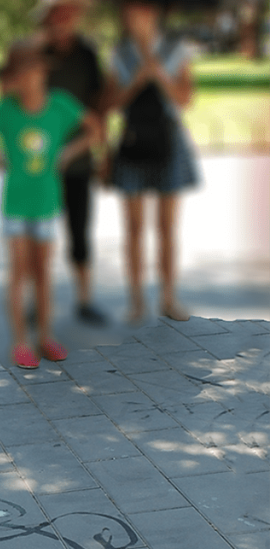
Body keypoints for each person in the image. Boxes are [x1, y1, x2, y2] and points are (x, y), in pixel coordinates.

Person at [0, 41, 98, 369]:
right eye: (24, 71)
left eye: (37, 70)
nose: (31, 78)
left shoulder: (60, 106)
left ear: (44, 73)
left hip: (46, 203)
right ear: (15, 77)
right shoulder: (6, 110)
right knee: (19, 271)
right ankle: (20, 343)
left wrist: (70, 153)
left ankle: (45, 337)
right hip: (15, 204)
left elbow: (93, 128)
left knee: (43, 272)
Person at [107, 0, 198, 323]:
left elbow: (186, 98)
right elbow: (111, 102)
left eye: (140, 11)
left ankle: (168, 299)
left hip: (168, 139)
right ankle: (136, 302)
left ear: (154, 13)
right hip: (133, 139)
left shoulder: (176, 49)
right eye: (129, 12)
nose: (134, 18)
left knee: (167, 227)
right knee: (132, 227)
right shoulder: (118, 53)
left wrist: (158, 73)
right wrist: (136, 79)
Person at [36, 0, 108, 326]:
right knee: (38, 235)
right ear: (46, 20)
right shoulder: (35, 54)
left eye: (69, 15)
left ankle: (84, 299)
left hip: (78, 160)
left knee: (79, 232)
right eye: (56, 16)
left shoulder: (88, 55)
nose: (63, 22)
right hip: (38, 164)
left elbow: (99, 111)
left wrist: (96, 150)